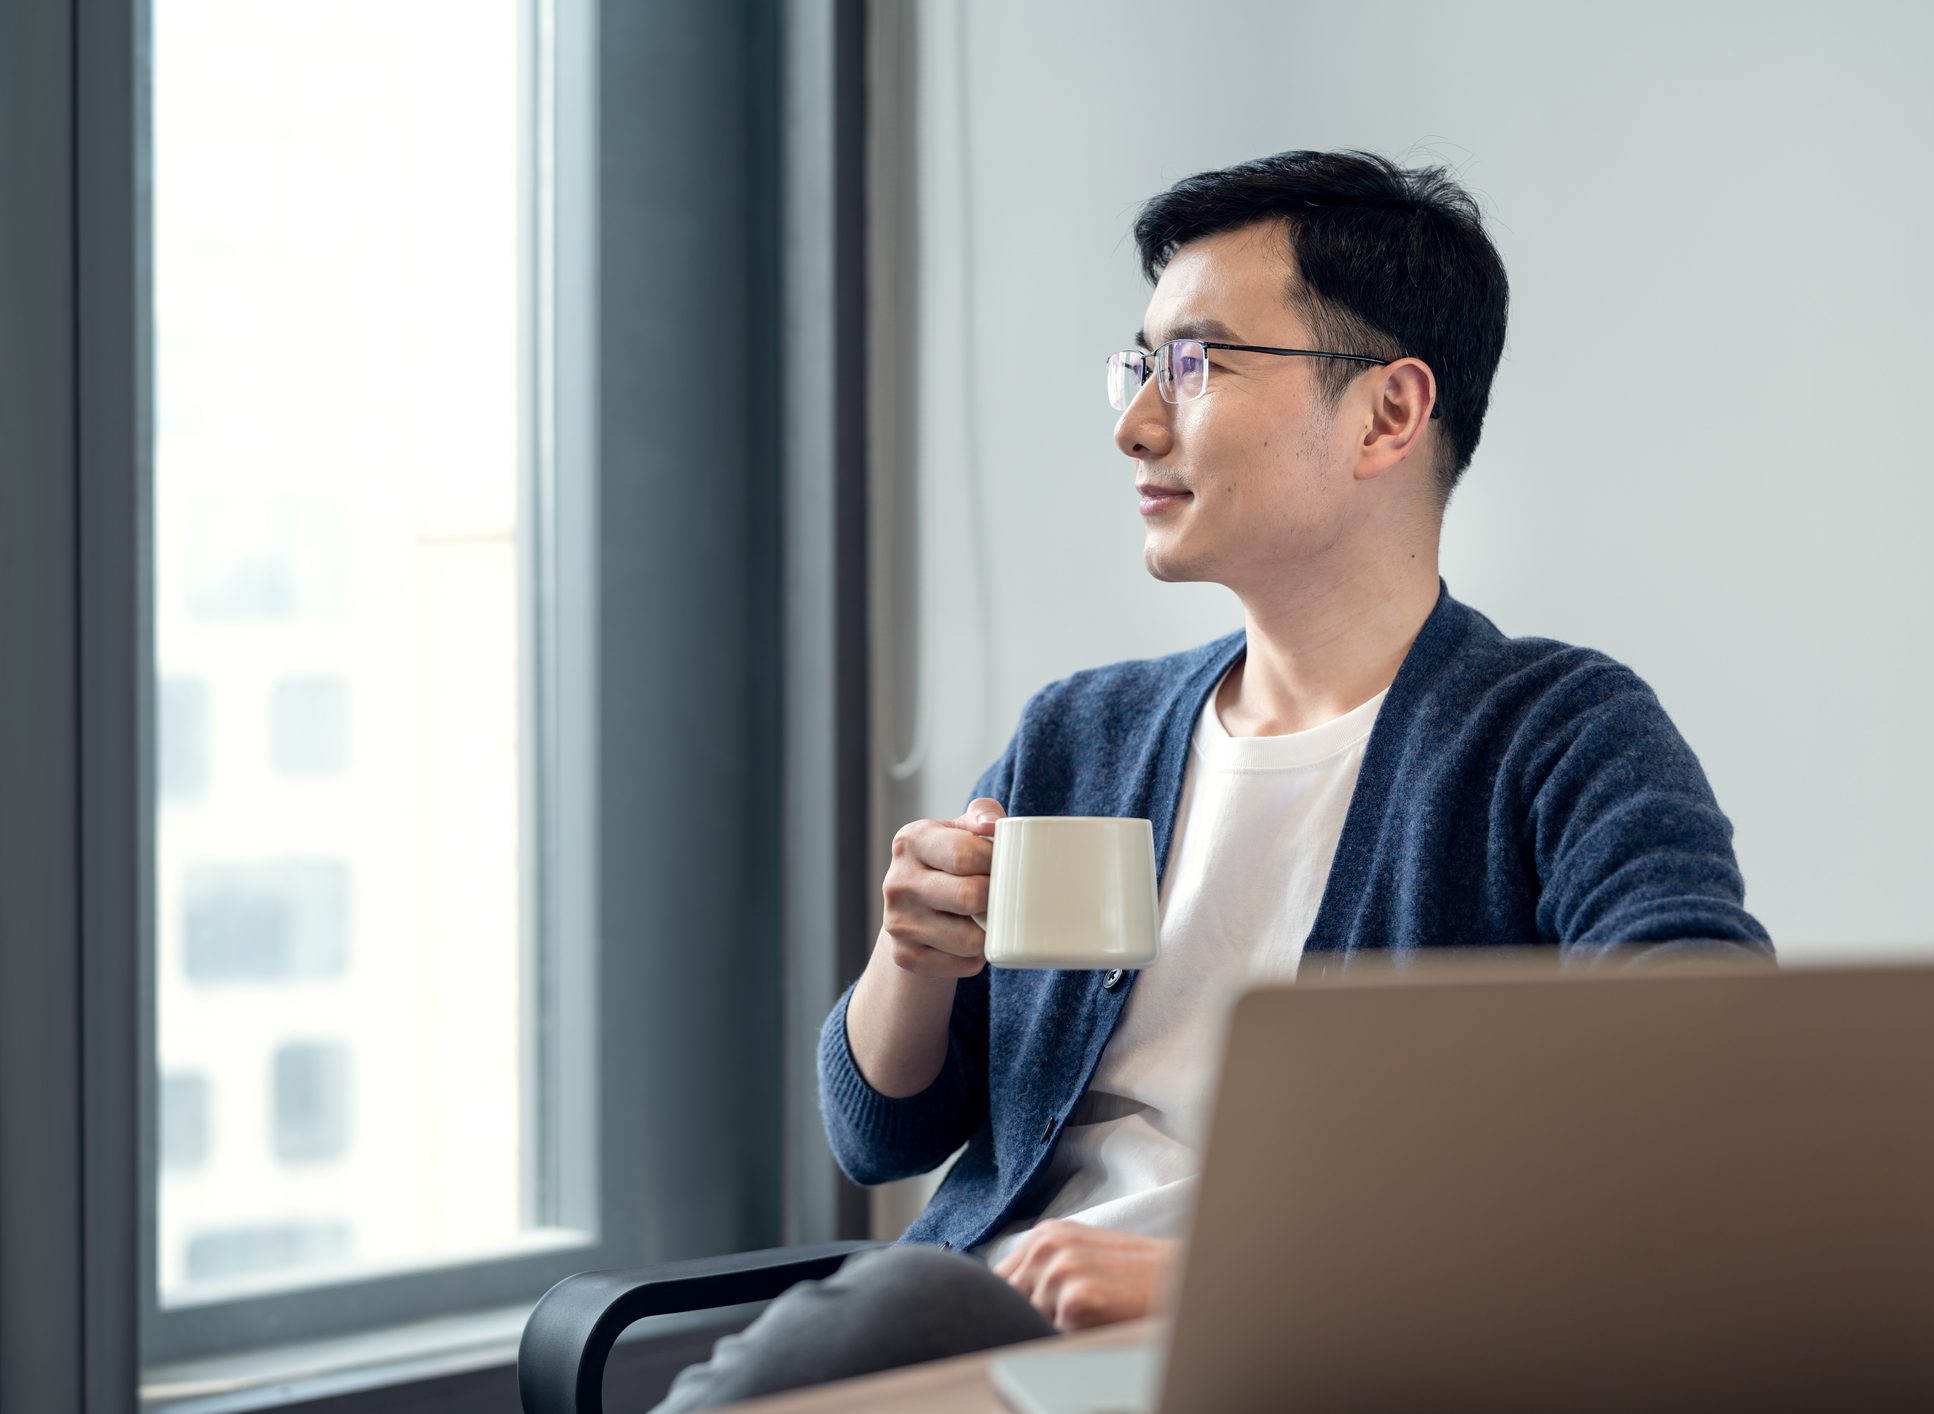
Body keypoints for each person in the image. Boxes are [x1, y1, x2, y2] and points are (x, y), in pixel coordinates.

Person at [650, 148, 1771, 1411]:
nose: (1134, 422)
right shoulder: (1084, 733)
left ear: (1387, 414)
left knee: (899, 1307)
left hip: (1319, 1351)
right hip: (1013, 1331)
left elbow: (1706, 1077)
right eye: (1139, 365)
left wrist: (1224, 1284)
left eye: (1193, 364)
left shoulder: (1556, 734)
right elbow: (883, 1131)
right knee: (907, 1301)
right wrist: (909, 960)